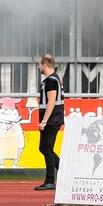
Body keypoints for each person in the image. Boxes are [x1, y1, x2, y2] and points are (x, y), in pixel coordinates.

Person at [35, 54, 63, 191]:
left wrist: (44, 121)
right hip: (53, 119)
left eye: (40, 65)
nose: (39, 67)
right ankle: (64, 171)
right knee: (45, 148)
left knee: (47, 149)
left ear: (45, 65)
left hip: (52, 120)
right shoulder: (53, 80)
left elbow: (51, 101)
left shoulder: (51, 81)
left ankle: (50, 180)